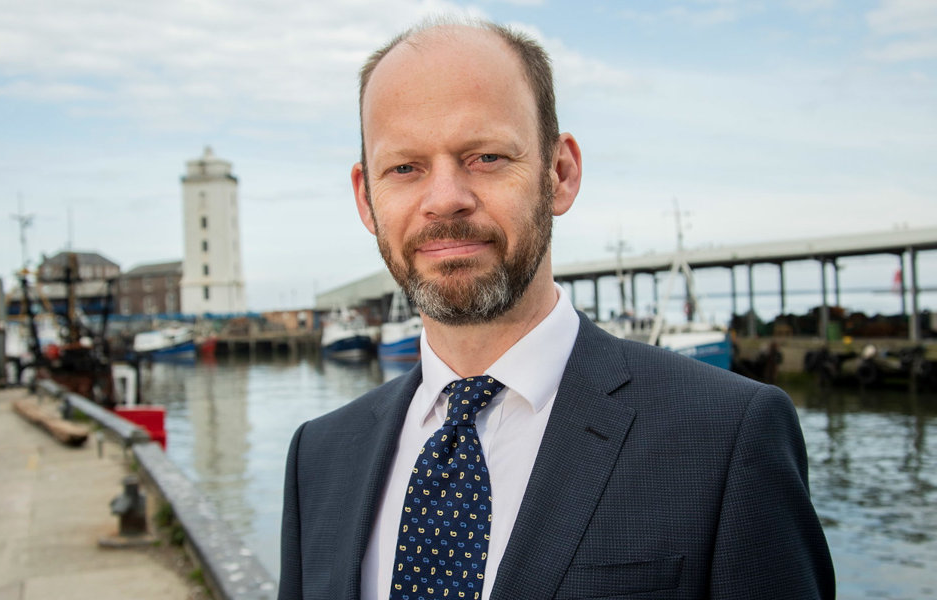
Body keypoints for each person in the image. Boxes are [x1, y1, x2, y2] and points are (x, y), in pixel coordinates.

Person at [280, 18, 835, 600]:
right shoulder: (318, 458)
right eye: (404, 168)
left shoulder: (726, 439)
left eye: (486, 156)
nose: (444, 199)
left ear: (560, 174)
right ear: (366, 199)